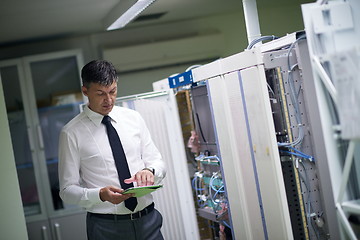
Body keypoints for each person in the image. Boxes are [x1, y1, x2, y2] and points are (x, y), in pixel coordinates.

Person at [58, 60, 166, 240]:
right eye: (100, 94)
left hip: (148, 221)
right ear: (85, 91)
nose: (108, 100)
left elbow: (157, 162)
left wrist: (150, 171)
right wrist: (99, 195)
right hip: (106, 227)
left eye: (113, 91)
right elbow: (67, 191)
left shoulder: (133, 118)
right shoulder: (71, 133)